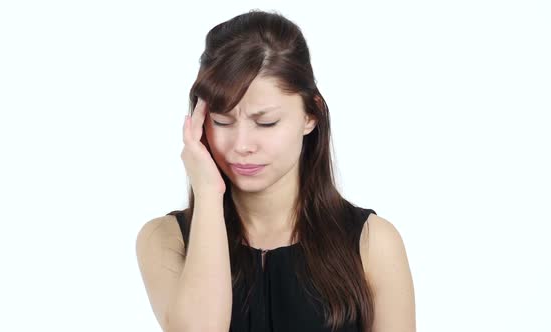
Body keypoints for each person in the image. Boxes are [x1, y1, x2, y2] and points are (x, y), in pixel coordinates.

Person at [136, 9, 415, 332]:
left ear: (311, 115)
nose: (242, 144)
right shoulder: (165, 240)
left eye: (265, 122)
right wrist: (209, 194)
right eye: (222, 121)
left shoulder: (372, 243)